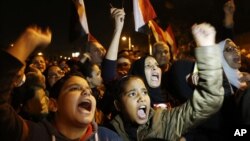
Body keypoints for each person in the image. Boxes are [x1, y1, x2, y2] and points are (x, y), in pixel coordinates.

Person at [0, 25, 122, 141]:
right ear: (53, 105)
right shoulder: (34, 135)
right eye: (75, 88)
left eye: (89, 91)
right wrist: (27, 41)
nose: (86, 92)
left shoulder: (109, 137)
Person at [108, 22, 224, 141]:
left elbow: (208, 100)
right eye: (133, 94)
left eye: (144, 92)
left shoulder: (164, 119)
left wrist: (207, 50)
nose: (141, 97)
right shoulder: (108, 132)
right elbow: (108, 74)